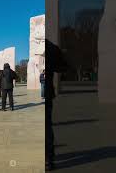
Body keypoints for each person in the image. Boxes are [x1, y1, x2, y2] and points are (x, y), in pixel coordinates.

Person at [46, 40, 67, 171]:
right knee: (47, 126)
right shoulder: (51, 47)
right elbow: (62, 67)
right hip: (47, 92)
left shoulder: (50, 47)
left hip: (45, 92)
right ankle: (49, 160)